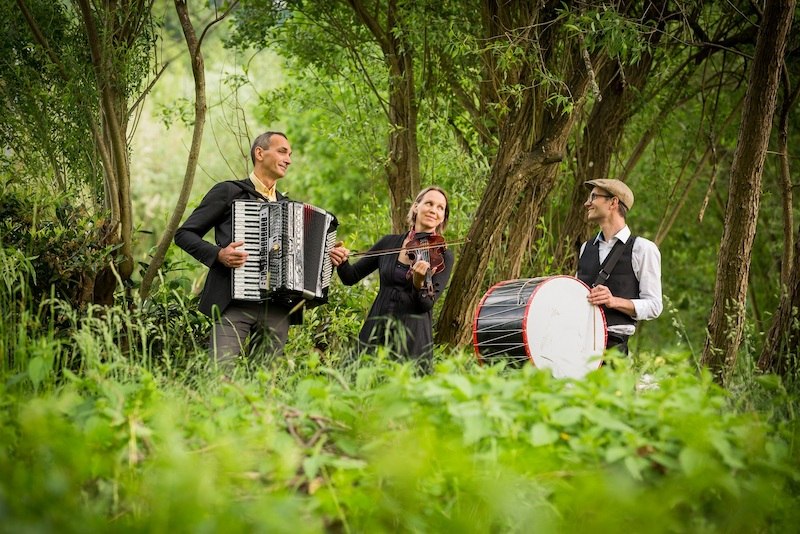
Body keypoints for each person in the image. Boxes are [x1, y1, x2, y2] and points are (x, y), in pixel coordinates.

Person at [175, 131, 297, 366]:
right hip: (233, 302)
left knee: (265, 382)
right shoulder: (229, 192)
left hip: (276, 308)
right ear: (259, 153)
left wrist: (329, 256)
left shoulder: (289, 207)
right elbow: (184, 234)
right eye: (282, 151)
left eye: (290, 154)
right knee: (219, 373)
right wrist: (218, 254)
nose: (289, 159)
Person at [329, 186, 454, 368]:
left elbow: (426, 304)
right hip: (376, 330)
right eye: (429, 203)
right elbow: (351, 276)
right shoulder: (389, 243)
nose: (434, 210)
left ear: (443, 217)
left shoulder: (442, 255)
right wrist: (341, 260)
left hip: (411, 339)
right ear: (416, 207)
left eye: (440, 207)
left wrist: (419, 281)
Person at [576, 179, 662, 355]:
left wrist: (613, 301)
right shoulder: (586, 247)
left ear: (613, 202)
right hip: (579, 348)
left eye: (593, 197)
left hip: (615, 351)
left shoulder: (643, 249)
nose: (587, 203)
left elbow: (654, 306)